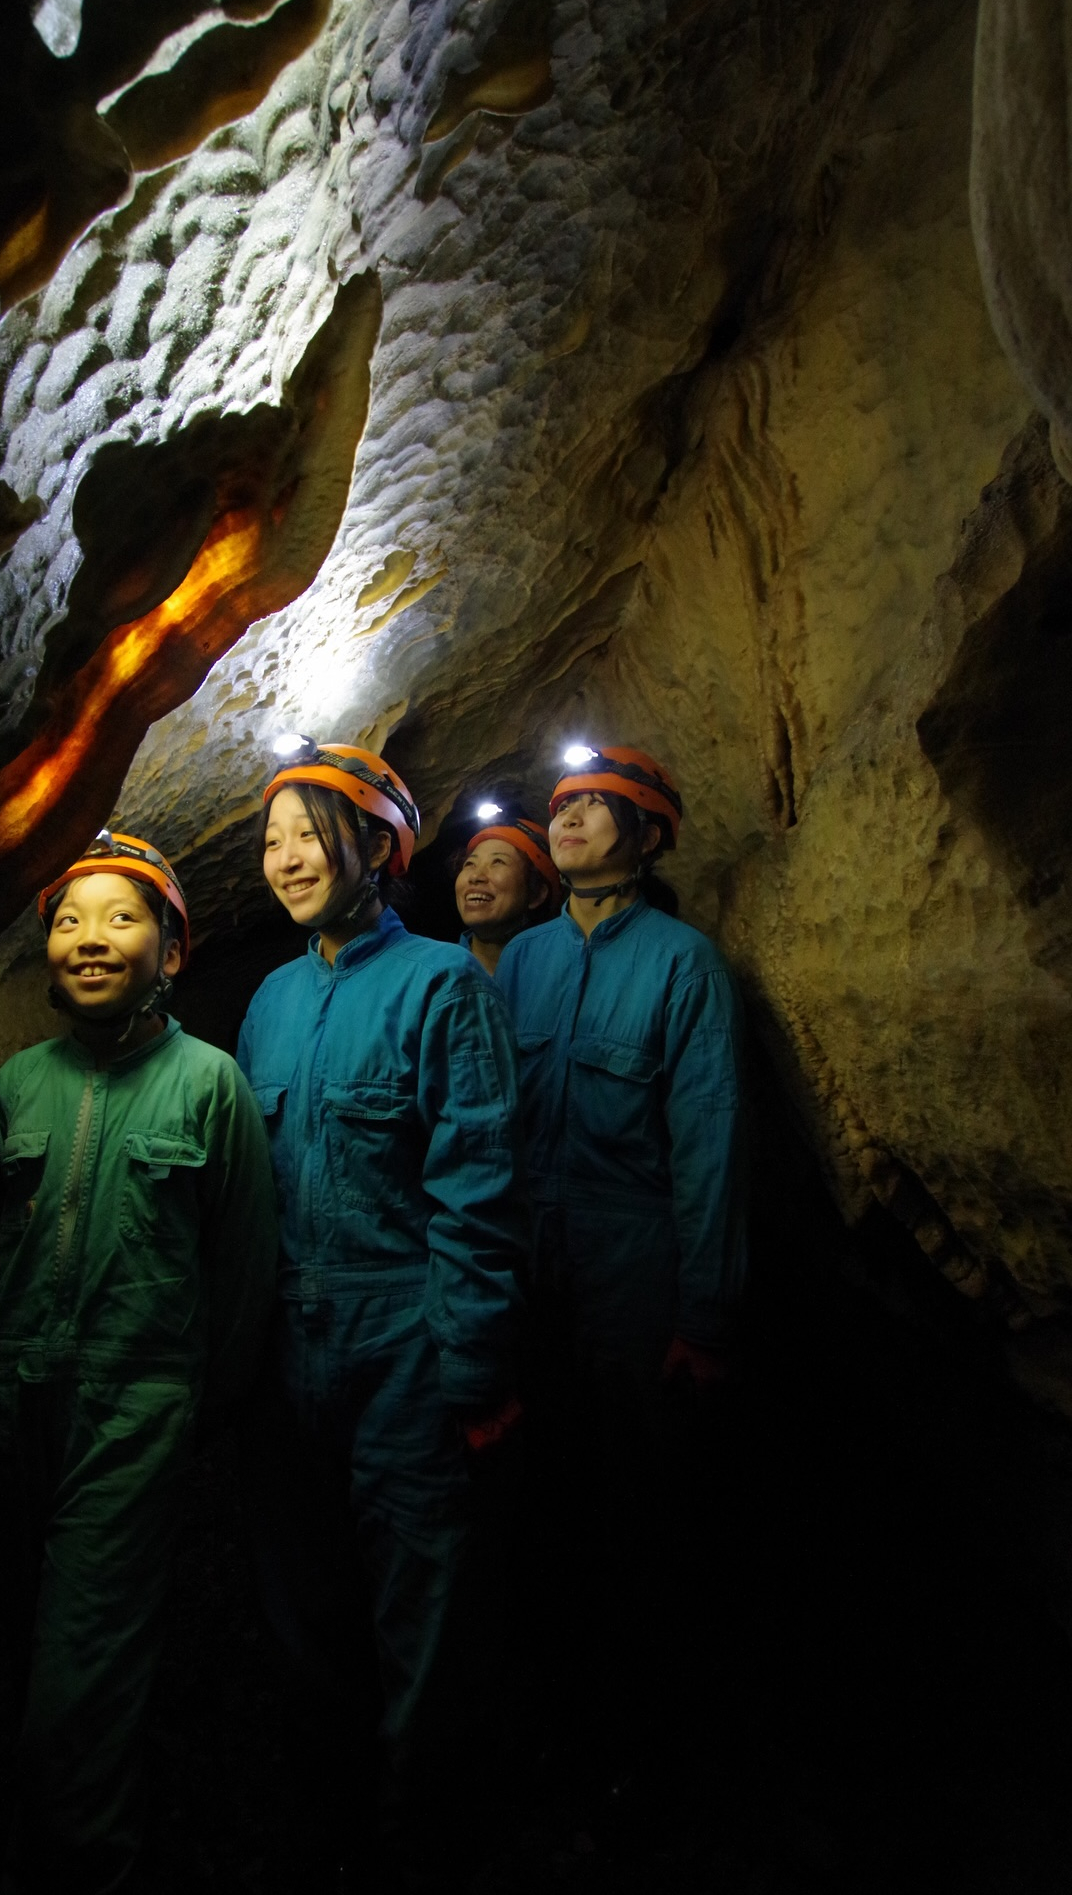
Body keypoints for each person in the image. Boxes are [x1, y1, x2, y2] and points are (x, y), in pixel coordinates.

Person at [236, 741, 527, 1886]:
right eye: (271, 839)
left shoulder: (444, 987)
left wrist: (475, 1369)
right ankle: (326, 1828)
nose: (286, 858)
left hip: (402, 1339)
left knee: (424, 1608)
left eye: (310, 833)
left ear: (378, 849)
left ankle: (426, 1835)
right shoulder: (267, 999)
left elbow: (479, 1186)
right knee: (301, 1601)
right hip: (287, 1344)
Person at [0, 828, 278, 1894]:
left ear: (172, 951)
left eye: (120, 918)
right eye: (67, 920)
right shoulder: (17, 1085)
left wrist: (205, 1402)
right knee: (22, 1636)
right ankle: (32, 1842)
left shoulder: (209, 1086)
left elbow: (243, 1265)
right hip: (19, 1397)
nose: (89, 941)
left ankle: (87, 1863)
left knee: (83, 1674)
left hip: (136, 1399)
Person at [494, 746, 746, 1801]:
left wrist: (706, 1315)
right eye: (565, 807)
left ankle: (645, 1747)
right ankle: (548, 1722)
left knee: (640, 1508)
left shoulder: (684, 965)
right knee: (539, 1496)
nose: (573, 820)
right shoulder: (523, 963)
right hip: (533, 1265)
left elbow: (709, 1144)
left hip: (634, 1261)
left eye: (600, 808)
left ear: (646, 840)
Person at [452, 811, 560, 974]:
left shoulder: (559, 974)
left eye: (498, 862)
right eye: (470, 864)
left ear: (537, 893)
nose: (475, 876)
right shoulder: (436, 973)